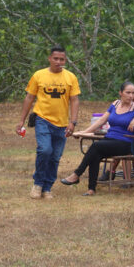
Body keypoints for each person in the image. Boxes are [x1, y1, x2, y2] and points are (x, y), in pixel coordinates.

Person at [61, 81, 134, 196]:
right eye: (128, 93)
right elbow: (102, 120)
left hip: (125, 143)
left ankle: (77, 174)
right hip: (110, 139)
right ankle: (91, 189)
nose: (131, 96)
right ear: (121, 93)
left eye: (133, 93)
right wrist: (84, 132)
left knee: (96, 146)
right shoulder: (115, 104)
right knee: (95, 155)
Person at [17, 46, 82, 199]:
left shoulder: (70, 77)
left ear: (65, 60)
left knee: (55, 157)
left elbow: (74, 100)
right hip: (42, 119)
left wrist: (73, 122)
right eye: (56, 59)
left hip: (61, 123)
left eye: (62, 59)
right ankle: (38, 184)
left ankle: (47, 188)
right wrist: (21, 120)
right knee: (45, 150)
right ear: (50, 59)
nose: (58, 62)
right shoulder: (39, 75)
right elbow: (29, 98)